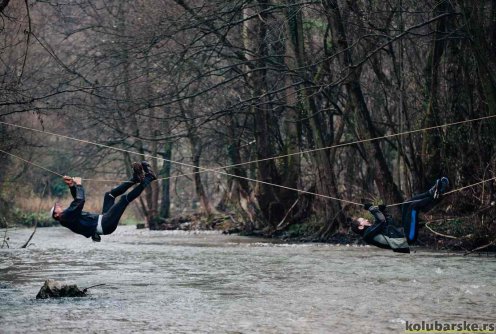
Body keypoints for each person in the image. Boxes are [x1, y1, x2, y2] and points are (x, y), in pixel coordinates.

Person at [50, 161, 156, 242]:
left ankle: (135, 179)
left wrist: (72, 186)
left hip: (103, 220)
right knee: (123, 200)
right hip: (105, 224)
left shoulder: (67, 216)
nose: (58, 205)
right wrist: (78, 185)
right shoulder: (65, 217)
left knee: (109, 195)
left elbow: (76, 203)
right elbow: (80, 201)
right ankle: (148, 178)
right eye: (56, 207)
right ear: (56, 214)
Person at [350, 177, 449, 253]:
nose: (366, 220)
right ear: (361, 226)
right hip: (407, 238)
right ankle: (435, 197)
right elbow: (381, 221)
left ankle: (430, 192)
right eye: (363, 220)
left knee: (406, 204)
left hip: (404, 232)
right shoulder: (367, 235)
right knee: (413, 207)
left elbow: (386, 222)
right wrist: (371, 208)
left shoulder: (372, 230)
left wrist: (382, 210)